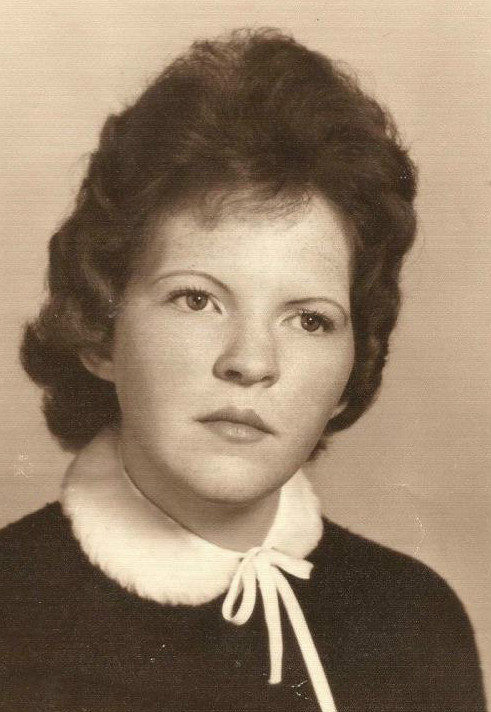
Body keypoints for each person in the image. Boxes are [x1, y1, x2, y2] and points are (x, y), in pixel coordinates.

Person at [0, 28, 485, 712]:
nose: (251, 363)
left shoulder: (415, 623)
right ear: (100, 332)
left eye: (308, 319)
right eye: (196, 300)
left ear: (353, 366)